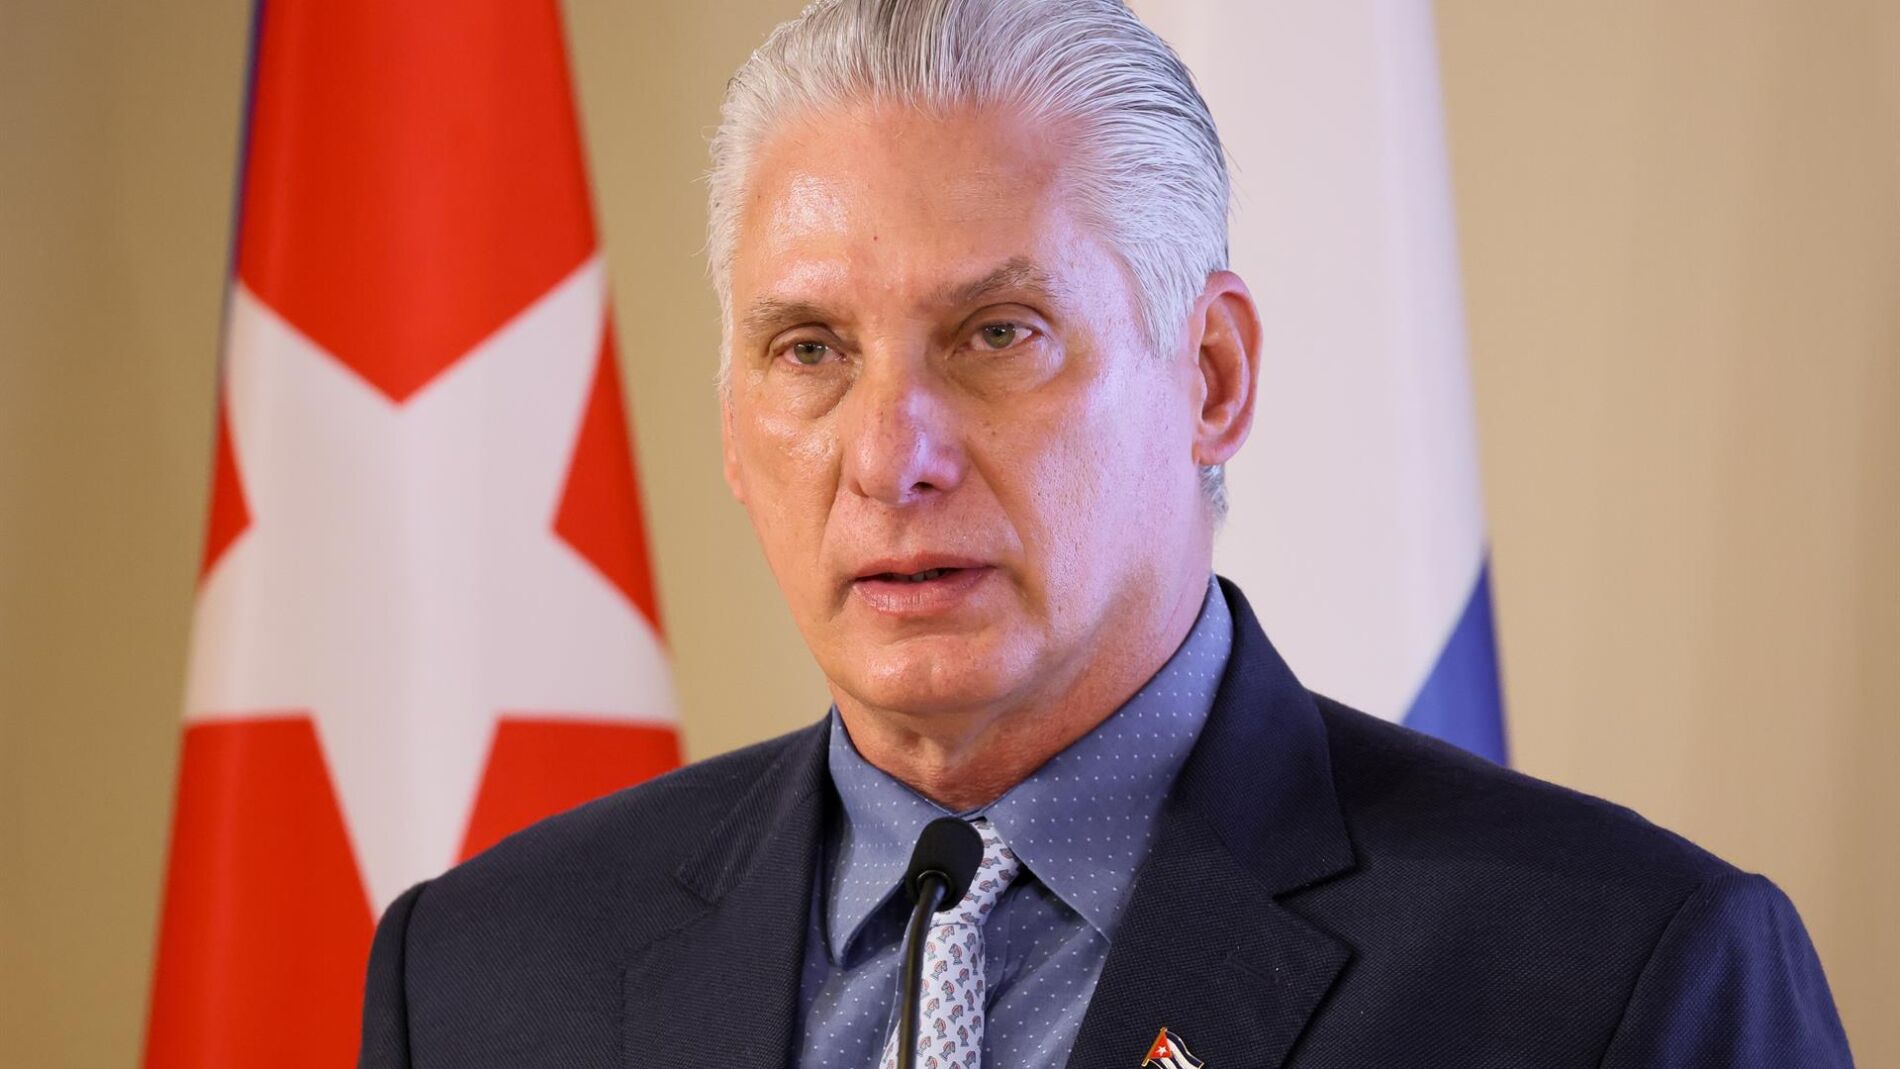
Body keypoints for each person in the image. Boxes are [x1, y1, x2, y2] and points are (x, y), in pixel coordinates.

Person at [358, 1, 1852, 1066]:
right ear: (735, 425)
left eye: (996, 333)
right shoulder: (482, 979)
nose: (889, 457)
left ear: (1211, 377)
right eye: (810, 349)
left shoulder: (1616, 977)